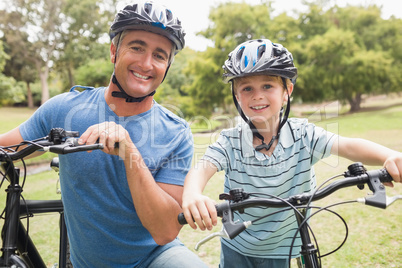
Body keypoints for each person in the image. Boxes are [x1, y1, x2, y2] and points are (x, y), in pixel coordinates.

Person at [0, 2, 207, 267]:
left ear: (166, 66)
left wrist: (129, 150)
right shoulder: (65, 107)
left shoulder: (176, 132)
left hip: (155, 259)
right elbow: (9, 146)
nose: (146, 63)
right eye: (137, 47)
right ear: (114, 51)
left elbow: (166, 230)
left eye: (159, 55)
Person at [181, 38, 402, 267]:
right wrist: (192, 194)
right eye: (247, 88)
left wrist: (389, 155)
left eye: (268, 86)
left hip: (285, 248)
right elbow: (202, 167)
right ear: (237, 96)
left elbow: (348, 145)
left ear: (287, 91)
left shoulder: (304, 134)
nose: (257, 95)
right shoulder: (231, 141)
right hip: (238, 246)